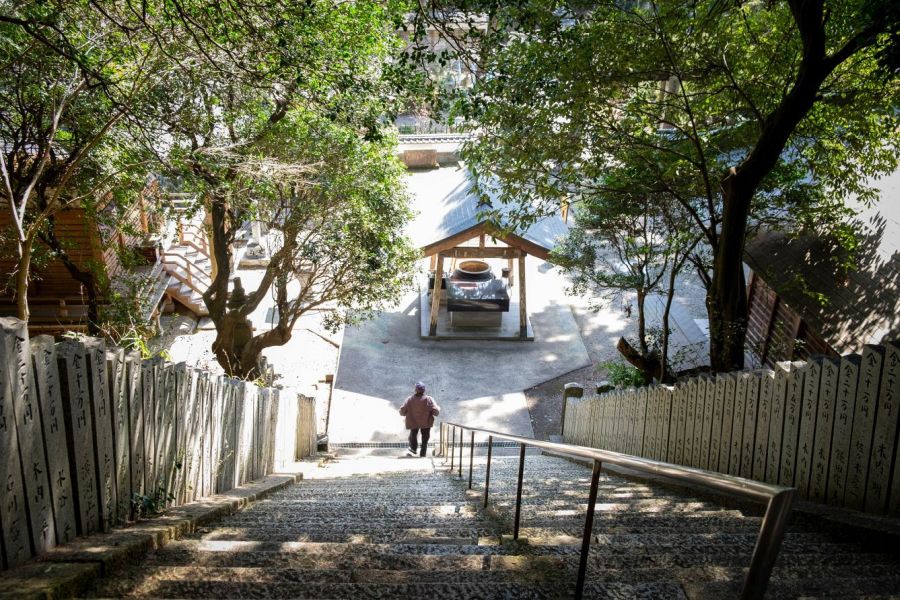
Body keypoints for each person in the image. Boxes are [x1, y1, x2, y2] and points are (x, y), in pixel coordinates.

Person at [399, 382, 440, 457]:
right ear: (424, 390)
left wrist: (404, 413)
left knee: (413, 434)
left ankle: (413, 448)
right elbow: (436, 411)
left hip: (413, 422)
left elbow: (402, 411)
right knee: (425, 438)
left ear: (415, 390)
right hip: (426, 422)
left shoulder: (409, 399)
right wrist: (436, 411)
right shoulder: (429, 399)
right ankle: (422, 454)